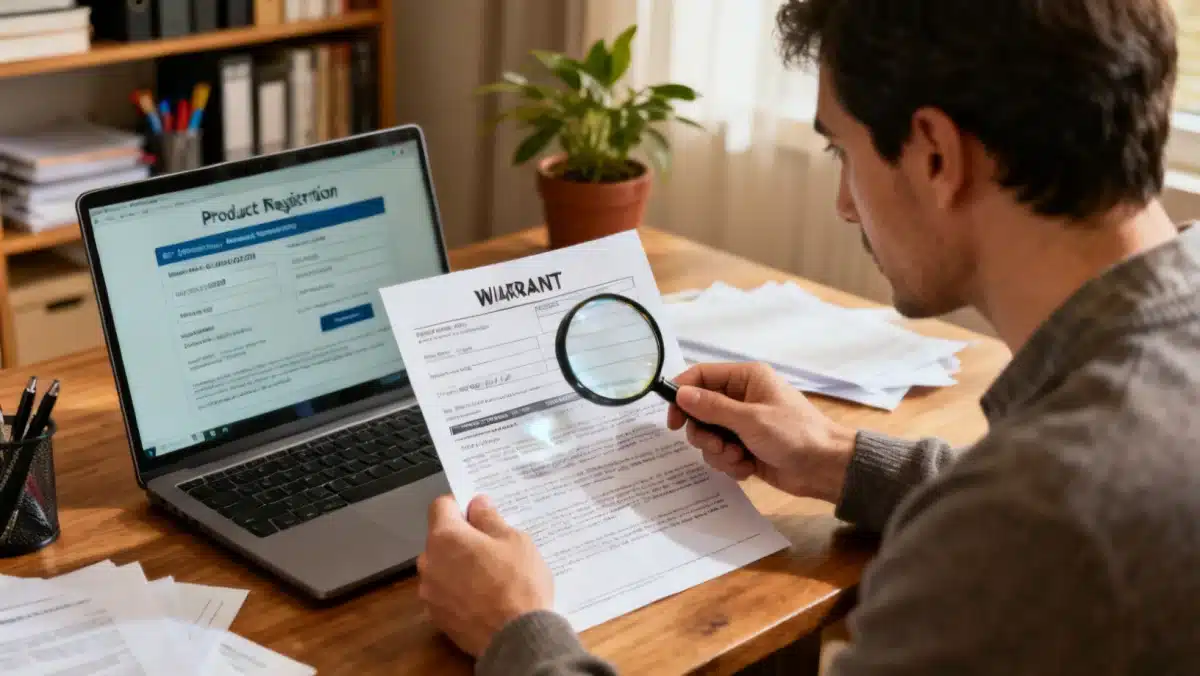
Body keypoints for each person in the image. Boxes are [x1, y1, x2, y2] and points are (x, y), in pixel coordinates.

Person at [417, 0, 1200, 673]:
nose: (844, 204)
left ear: (934, 154)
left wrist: (518, 635)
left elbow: (1041, 528)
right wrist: (838, 461)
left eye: (841, 151)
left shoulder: (1026, 531)